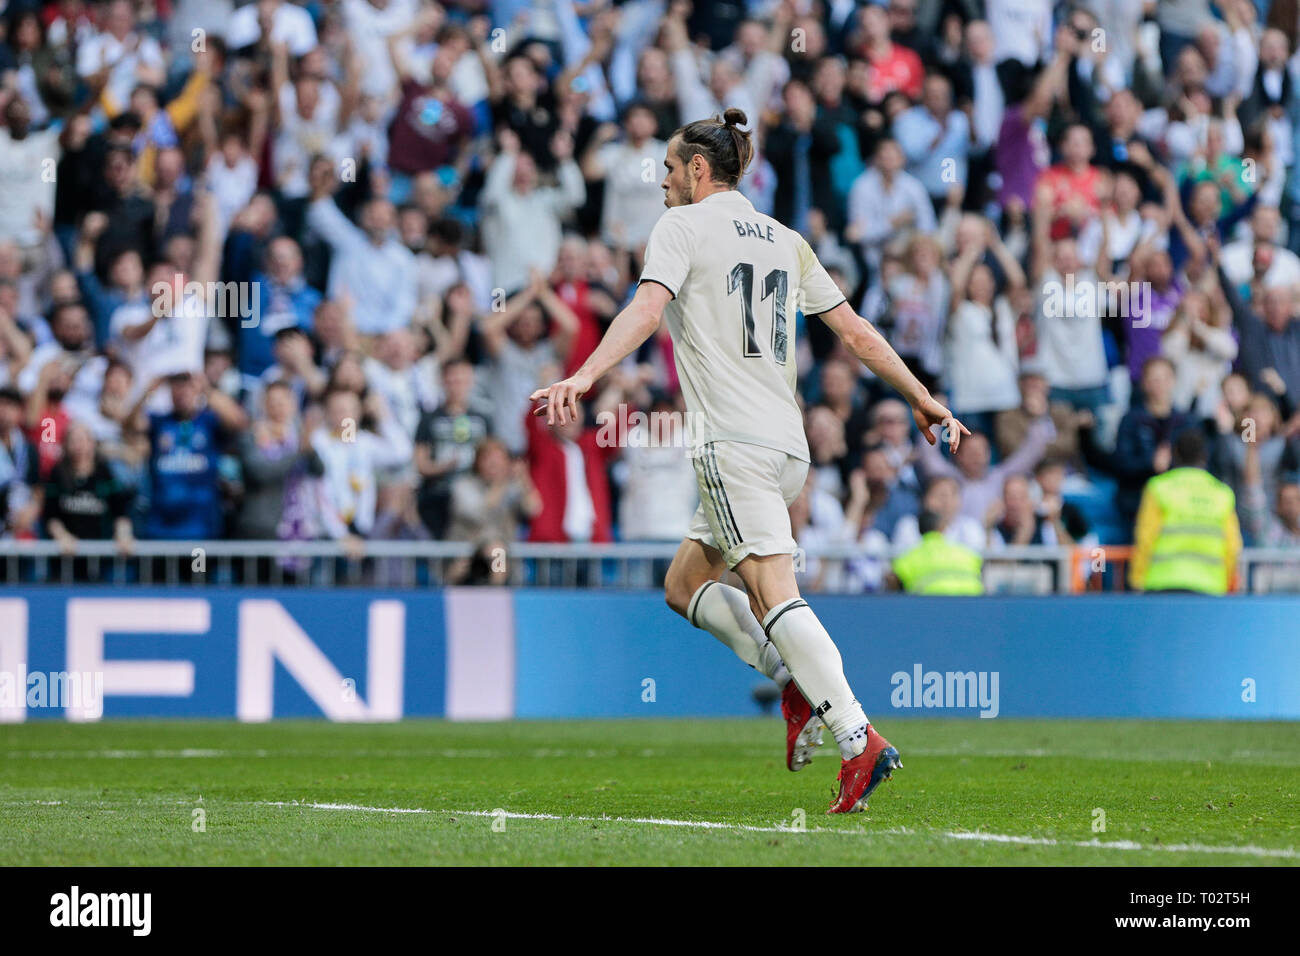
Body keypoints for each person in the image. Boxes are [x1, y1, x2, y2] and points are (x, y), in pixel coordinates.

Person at [530, 109, 967, 814]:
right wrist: (922, 397)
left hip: (732, 444)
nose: (663, 181)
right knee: (683, 585)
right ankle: (793, 680)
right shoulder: (786, 239)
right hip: (786, 444)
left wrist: (584, 376)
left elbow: (646, 309)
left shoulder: (681, 227)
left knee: (770, 593)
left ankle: (858, 738)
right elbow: (853, 331)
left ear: (700, 170)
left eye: (671, 169)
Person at [1130, 430, 1242, 594]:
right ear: (1205, 456)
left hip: (1162, 583)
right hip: (1210, 586)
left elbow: (1145, 537)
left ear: (1175, 455)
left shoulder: (1158, 488)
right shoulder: (1222, 493)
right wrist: (1226, 583)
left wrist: (1137, 579)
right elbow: (1232, 546)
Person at [890, 511, 984, 594]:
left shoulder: (910, 556)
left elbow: (892, 580)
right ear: (942, 527)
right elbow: (980, 569)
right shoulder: (965, 553)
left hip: (929, 608)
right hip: (972, 605)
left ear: (919, 530)